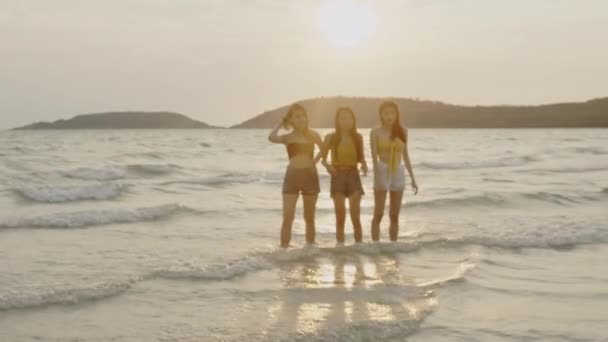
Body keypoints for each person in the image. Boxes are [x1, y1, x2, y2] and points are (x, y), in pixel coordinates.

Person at [268, 104, 323, 248]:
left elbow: (324, 149)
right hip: (292, 176)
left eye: (302, 116)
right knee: (288, 217)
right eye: (296, 116)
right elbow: (271, 137)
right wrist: (281, 122)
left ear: (306, 118)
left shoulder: (314, 135)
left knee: (309, 218)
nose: (300, 119)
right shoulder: (288, 137)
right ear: (291, 120)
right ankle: (284, 250)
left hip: (310, 176)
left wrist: (314, 162)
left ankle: (310, 250)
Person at [370, 101, 418, 241]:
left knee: (394, 215)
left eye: (392, 113)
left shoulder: (403, 131)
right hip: (382, 170)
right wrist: (376, 173)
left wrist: (412, 178)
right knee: (378, 213)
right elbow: (373, 155)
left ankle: (393, 249)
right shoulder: (375, 132)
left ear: (396, 114)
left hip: (398, 171)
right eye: (386, 113)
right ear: (381, 115)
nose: (389, 116)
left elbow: (406, 155)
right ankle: (375, 247)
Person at [321, 107, 368, 244]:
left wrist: (364, 164)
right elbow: (323, 159)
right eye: (342, 118)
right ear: (337, 120)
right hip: (337, 176)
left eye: (349, 118)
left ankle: (359, 247)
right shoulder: (330, 137)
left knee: (355, 216)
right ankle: (339, 249)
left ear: (353, 120)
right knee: (340, 216)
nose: (346, 121)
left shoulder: (358, 137)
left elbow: (361, 157)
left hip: (354, 175)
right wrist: (327, 166)